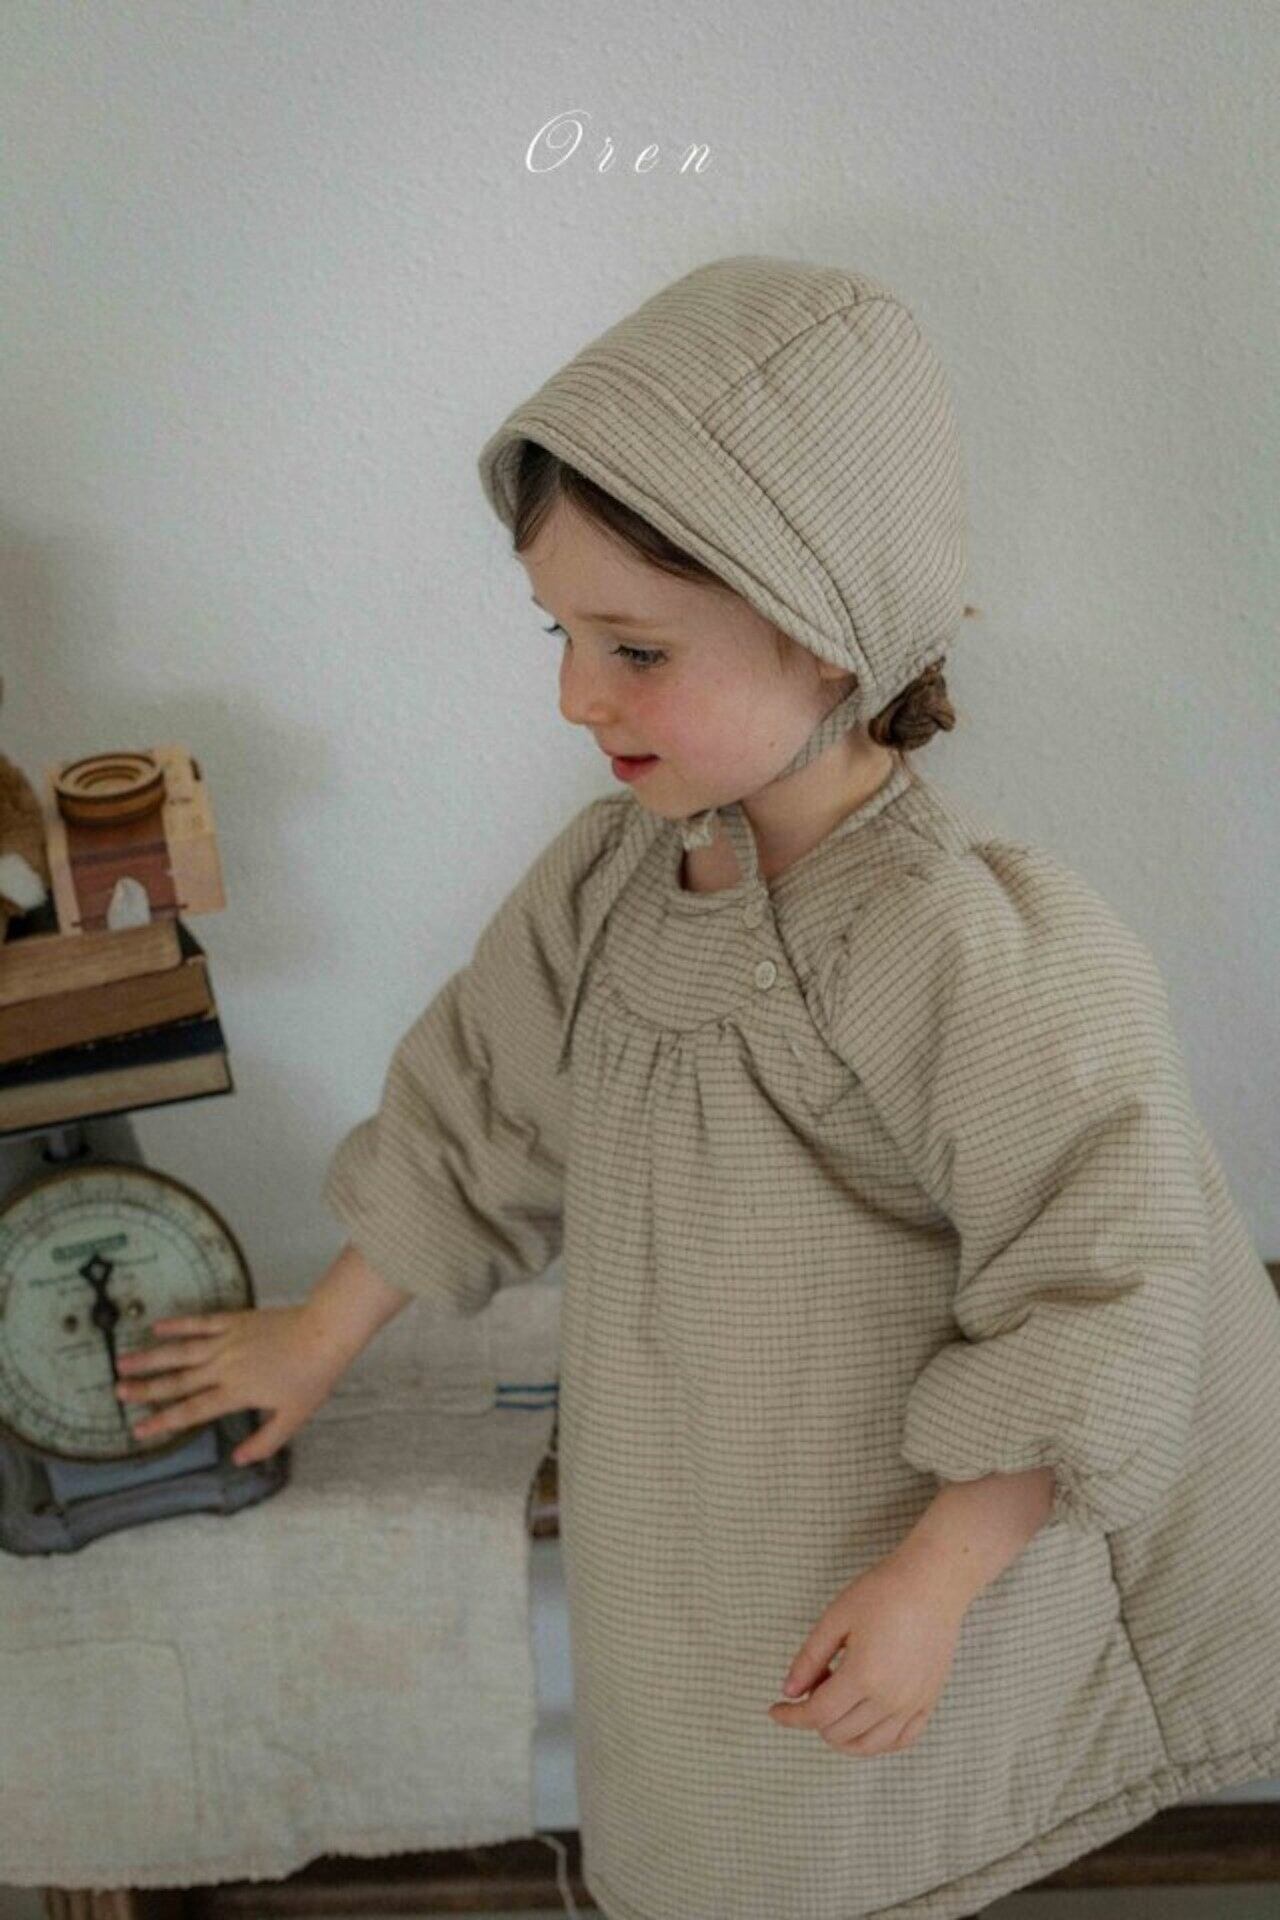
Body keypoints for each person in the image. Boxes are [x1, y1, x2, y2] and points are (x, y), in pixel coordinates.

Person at [111, 256, 1280, 1920]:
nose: (576, 695)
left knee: (836, 1842)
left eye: (637, 648)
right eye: (564, 634)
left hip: (886, 1539)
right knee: (702, 1825)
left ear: (827, 636)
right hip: (681, 1527)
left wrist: (940, 1578)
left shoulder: (955, 941)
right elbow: (480, 1110)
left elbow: (1106, 1282)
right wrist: (319, 1332)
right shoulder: (613, 886)